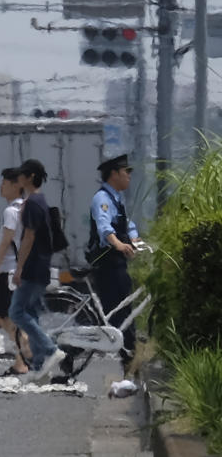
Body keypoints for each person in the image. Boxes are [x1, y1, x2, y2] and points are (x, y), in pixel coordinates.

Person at [9, 159, 66, 383]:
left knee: (17, 312)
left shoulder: (33, 203)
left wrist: (19, 267)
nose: (18, 179)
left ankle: (51, 350)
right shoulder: (38, 201)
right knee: (31, 312)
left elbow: (29, 237)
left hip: (33, 266)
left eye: (22, 175)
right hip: (41, 265)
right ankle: (41, 367)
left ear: (31, 177)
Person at [86, 154, 141, 375]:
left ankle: (129, 357)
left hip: (116, 262)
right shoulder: (102, 198)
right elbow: (104, 226)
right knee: (120, 311)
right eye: (126, 172)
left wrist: (134, 238)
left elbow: (126, 223)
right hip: (107, 263)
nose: (129, 176)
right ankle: (129, 359)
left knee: (123, 309)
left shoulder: (116, 197)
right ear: (114, 174)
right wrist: (119, 244)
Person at [0, 167, 31, 377]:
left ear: (16, 186)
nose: (1, 186)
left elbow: (5, 244)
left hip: (9, 271)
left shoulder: (11, 212)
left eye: (5, 183)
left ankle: (25, 350)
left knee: (0, 315)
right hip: (16, 271)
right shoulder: (25, 209)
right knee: (3, 316)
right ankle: (23, 352)